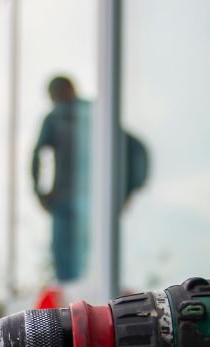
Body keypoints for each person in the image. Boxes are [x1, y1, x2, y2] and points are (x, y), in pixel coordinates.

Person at [31, 75, 149, 286]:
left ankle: (82, 297)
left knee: (82, 257)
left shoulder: (89, 115)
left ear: (69, 90)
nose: (57, 102)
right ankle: (76, 298)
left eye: (56, 96)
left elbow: (134, 149)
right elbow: (37, 156)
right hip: (75, 200)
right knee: (75, 259)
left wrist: (128, 190)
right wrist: (40, 191)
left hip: (86, 199)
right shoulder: (82, 115)